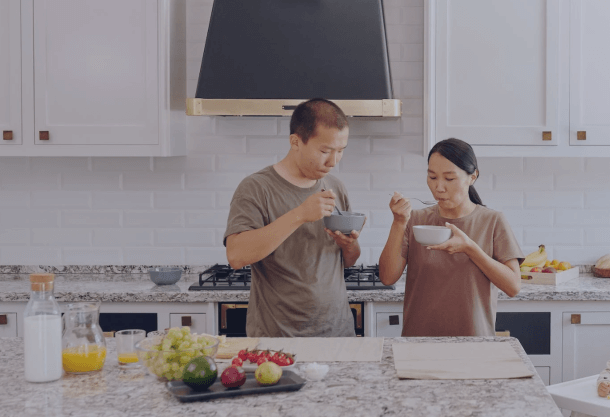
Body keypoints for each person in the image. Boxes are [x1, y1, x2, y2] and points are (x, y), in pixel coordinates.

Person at [223, 98, 362, 338]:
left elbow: (347, 261)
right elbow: (236, 256)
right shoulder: (256, 187)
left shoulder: (335, 187)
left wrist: (349, 246)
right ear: (295, 142)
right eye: (324, 151)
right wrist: (299, 215)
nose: (333, 162)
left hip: (338, 332)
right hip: (279, 336)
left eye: (340, 151)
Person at [378, 138, 523, 336]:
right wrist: (398, 222)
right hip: (418, 343)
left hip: (474, 344)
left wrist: (470, 249)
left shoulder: (492, 221)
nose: (438, 187)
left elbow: (513, 286)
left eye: (449, 178)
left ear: (472, 177)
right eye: (432, 177)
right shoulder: (415, 220)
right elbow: (387, 278)